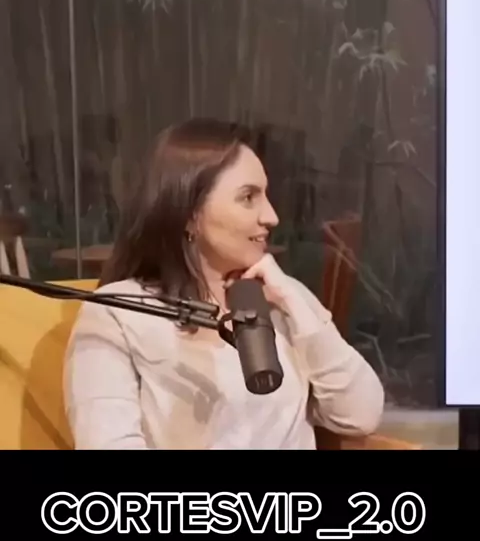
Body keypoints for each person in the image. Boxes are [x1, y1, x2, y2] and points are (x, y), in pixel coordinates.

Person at [63, 118, 384, 450]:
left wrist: (294, 302)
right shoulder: (118, 312)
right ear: (189, 213)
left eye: (266, 196)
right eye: (248, 197)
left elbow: (360, 416)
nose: (271, 217)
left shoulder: (282, 297)